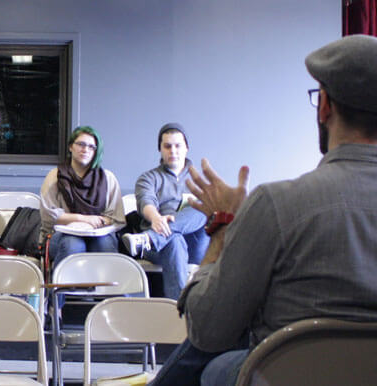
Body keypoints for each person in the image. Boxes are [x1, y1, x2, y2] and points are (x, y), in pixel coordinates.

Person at [151, 35, 377, 386]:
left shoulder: (276, 204)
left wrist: (224, 225)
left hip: (290, 377)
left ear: (324, 107)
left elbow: (207, 328)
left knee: (218, 358)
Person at [121, 123, 209, 300]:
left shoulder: (200, 180)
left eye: (178, 146)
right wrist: (155, 218)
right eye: (167, 146)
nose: (173, 151)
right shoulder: (148, 178)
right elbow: (146, 200)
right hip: (159, 249)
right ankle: (179, 313)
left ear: (186, 148)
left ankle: (149, 238)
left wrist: (158, 232)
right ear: (160, 149)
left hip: (192, 243)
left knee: (202, 208)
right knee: (174, 240)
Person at [39, 126, 125, 266]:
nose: (85, 150)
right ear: (70, 147)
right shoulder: (55, 176)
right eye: (81, 144)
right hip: (61, 234)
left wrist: (98, 223)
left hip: (99, 234)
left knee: (103, 245)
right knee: (74, 245)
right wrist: (84, 219)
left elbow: (116, 217)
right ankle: (63, 287)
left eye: (91, 147)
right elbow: (48, 216)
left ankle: (103, 288)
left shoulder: (108, 178)